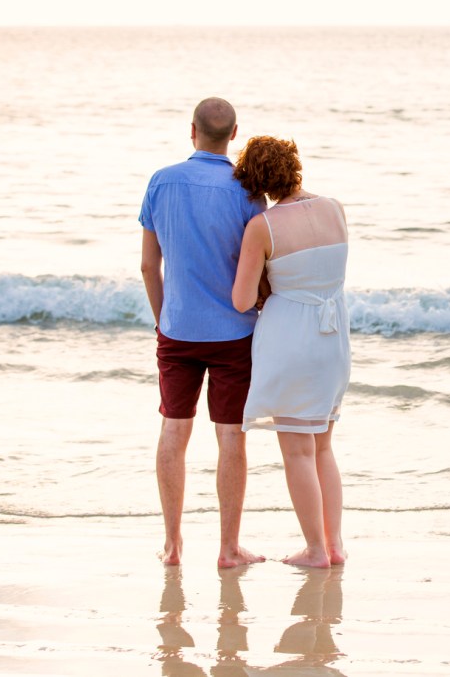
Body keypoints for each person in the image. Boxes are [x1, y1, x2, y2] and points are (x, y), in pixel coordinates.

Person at [139, 97, 266, 568]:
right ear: (234, 135)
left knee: (174, 428)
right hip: (234, 332)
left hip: (177, 329)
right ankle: (229, 550)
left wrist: (162, 319)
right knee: (231, 436)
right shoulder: (247, 191)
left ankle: (173, 546)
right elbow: (259, 267)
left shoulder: (161, 181)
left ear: (191, 130)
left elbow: (149, 266)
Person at [232, 136, 350, 568]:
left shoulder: (262, 226)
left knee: (297, 451)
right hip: (334, 337)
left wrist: (264, 281)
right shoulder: (335, 208)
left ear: (255, 180)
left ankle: (315, 550)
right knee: (322, 447)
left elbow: (242, 300)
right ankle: (334, 544)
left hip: (292, 339)